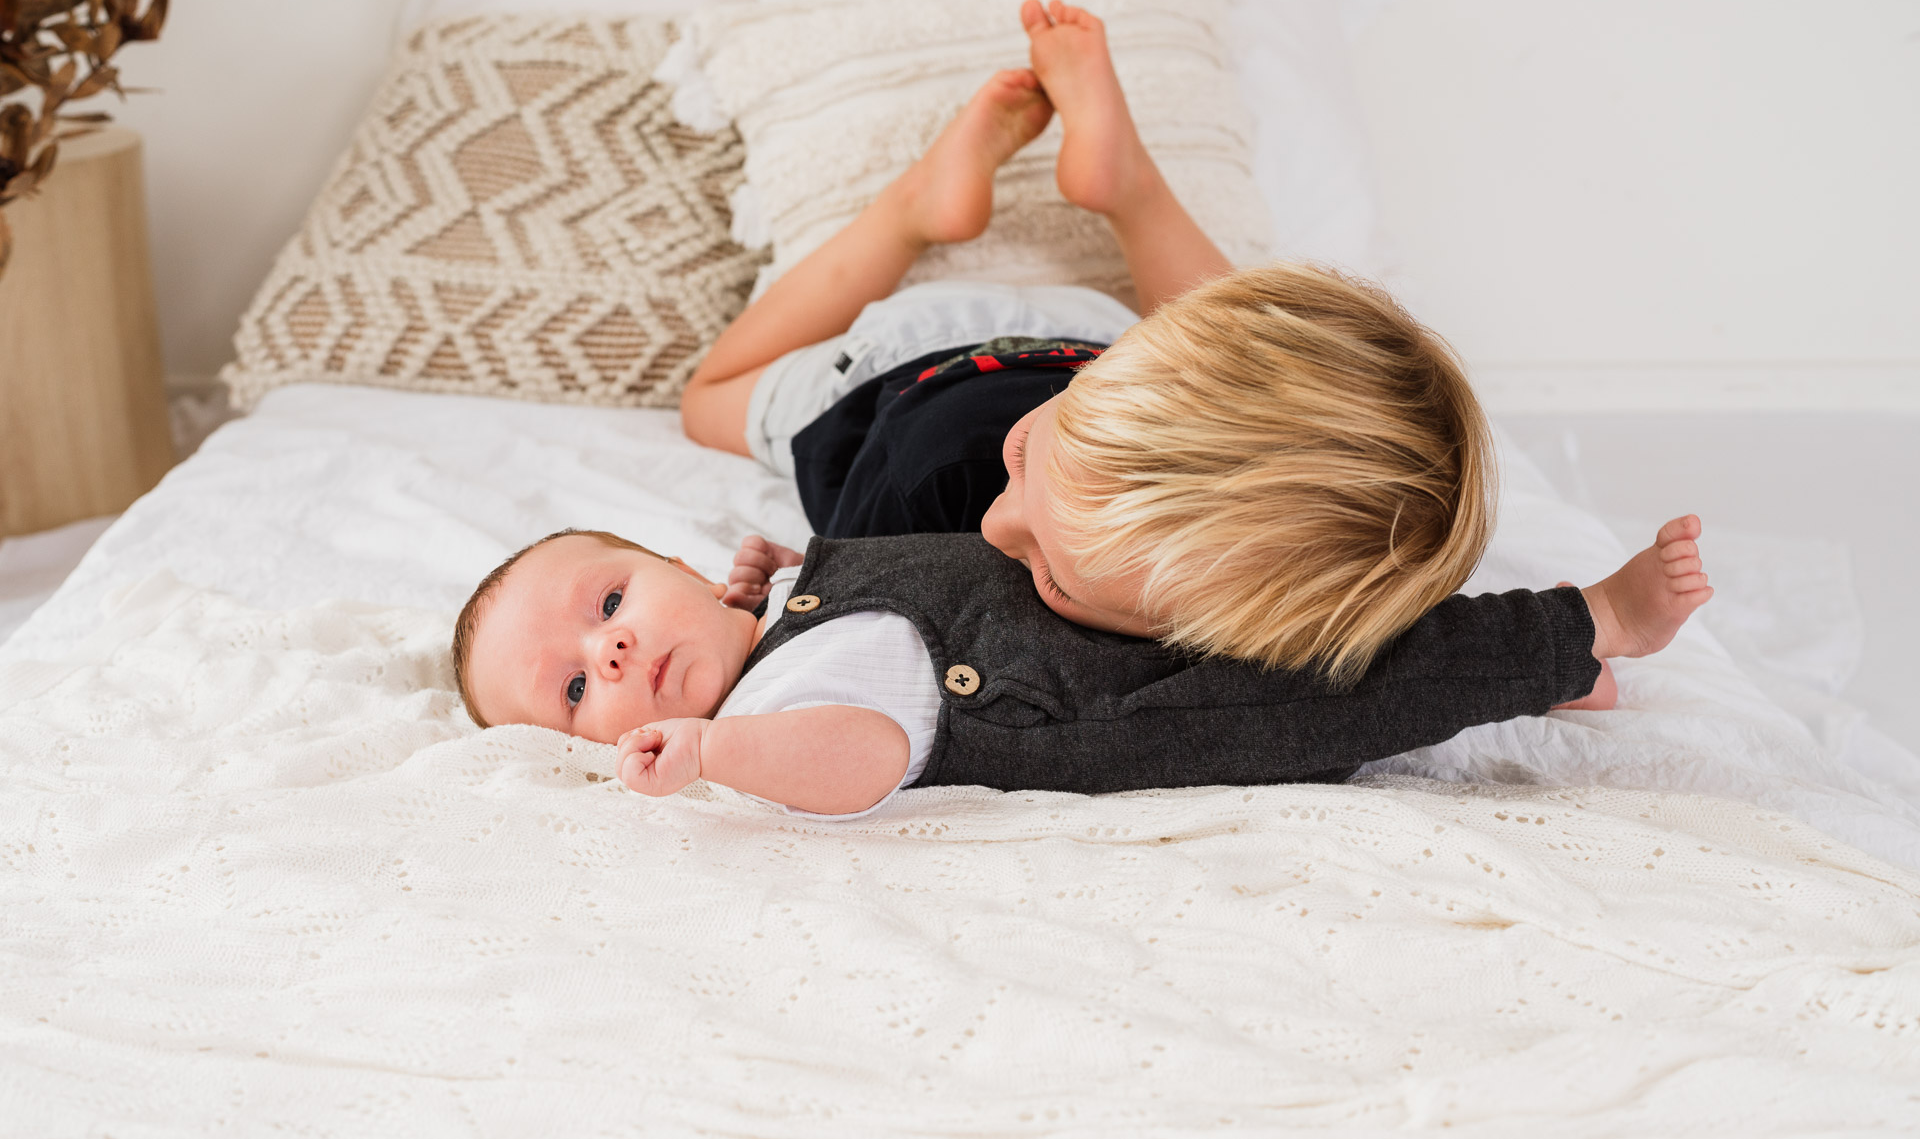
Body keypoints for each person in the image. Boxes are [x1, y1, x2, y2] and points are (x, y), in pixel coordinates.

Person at [680, 0, 1497, 689]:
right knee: (706, 399)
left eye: (1051, 576)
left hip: (1093, 350)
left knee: (1227, 339)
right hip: (897, 365)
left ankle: (1123, 199)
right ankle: (920, 206)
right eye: (1030, 459)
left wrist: (1527, 648)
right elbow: (842, 616)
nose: (1001, 532)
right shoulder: (919, 492)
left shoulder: (1273, 594)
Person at [450, 517, 1713, 819]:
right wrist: (722, 753)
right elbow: (867, 759)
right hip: (1135, 706)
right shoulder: (772, 710)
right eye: (576, 689)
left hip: (1120, 608)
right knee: (1332, 691)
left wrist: (771, 584)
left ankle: (1533, 675)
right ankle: (1586, 623)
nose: (610, 645)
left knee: (1311, 605)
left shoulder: (780, 606)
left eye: (609, 598)